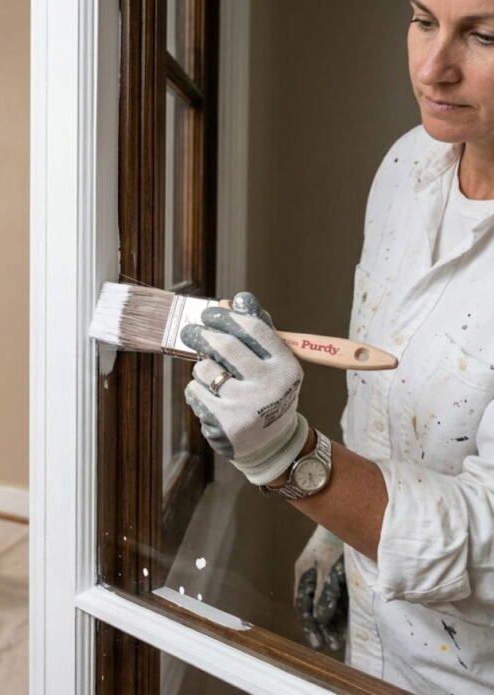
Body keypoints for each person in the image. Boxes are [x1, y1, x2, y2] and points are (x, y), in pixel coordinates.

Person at [180, 0, 494, 690]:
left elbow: (489, 540)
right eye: (421, 20)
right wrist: (335, 529)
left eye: (484, 34)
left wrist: (292, 458)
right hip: (370, 634)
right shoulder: (407, 164)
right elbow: (375, 400)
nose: (433, 68)